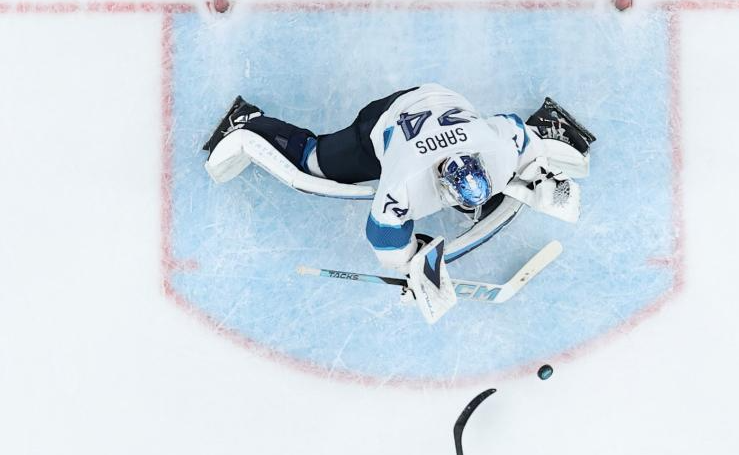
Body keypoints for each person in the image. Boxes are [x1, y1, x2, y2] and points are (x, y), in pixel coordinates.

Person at [202, 85, 595, 321]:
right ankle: (247, 122)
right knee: (315, 163)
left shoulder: (495, 147)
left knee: (502, 178)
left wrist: (540, 179)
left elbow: (518, 133)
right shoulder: (403, 183)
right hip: (384, 121)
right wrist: (408, 262)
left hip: (441, 101)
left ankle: (551, 124)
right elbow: (383, 234)